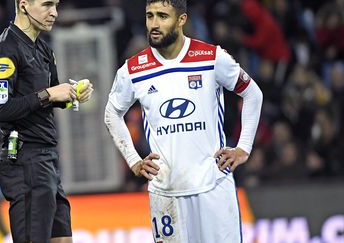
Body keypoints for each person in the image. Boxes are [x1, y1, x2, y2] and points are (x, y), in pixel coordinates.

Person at [104, 0, 263, 242]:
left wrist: (244, 148)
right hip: (165, 192)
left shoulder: (211, 58)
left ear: (181, 20)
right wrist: (134, 160)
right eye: (149, 16)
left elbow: (253, 93)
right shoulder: (133, 70)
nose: (154, 24)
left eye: (162, 16)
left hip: (213, 188)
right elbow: (111, 113)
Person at [0, 0, 93, 242]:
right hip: (25, 162)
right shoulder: (6, 50)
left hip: (47, 161)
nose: (54, 12)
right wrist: (49, 94)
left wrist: (71, 93)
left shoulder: (43, 49)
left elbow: (52, 97)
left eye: (56, 5)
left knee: (63, 239)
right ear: (23, 5)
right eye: (47, 5)